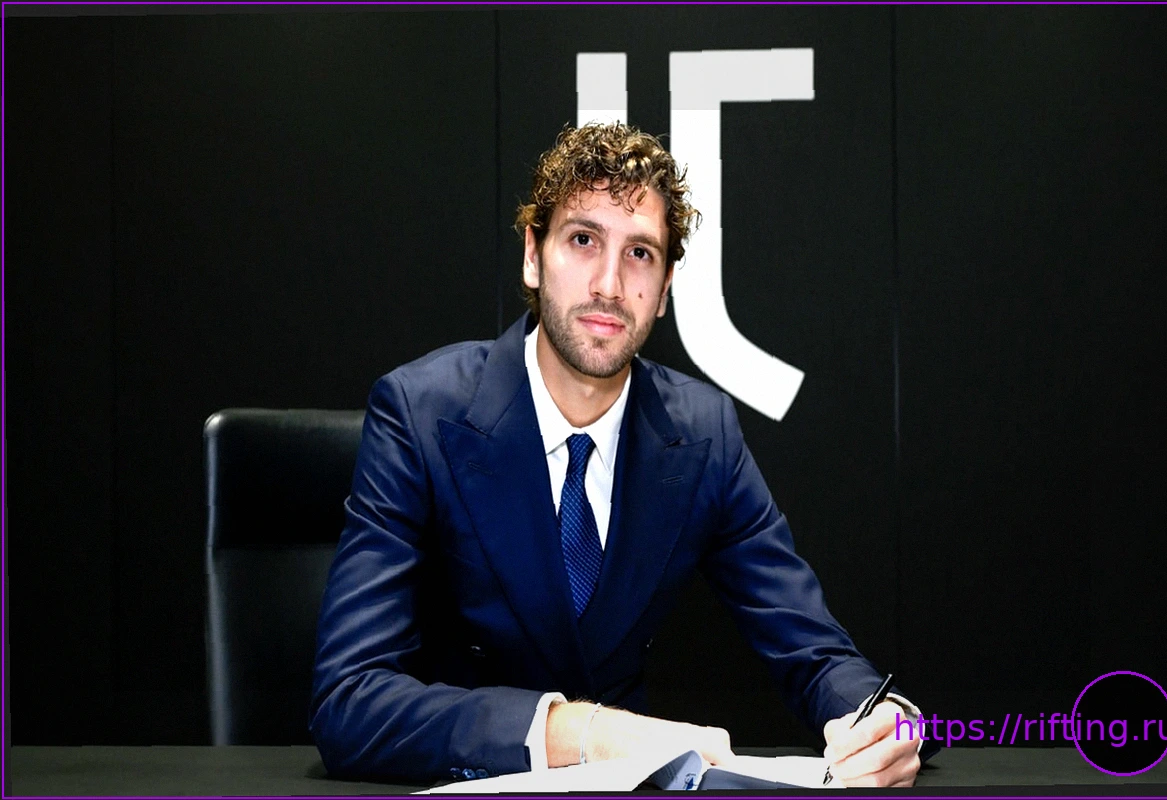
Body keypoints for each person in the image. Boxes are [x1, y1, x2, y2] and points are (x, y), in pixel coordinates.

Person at [309, 122, 930, 787]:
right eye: (583, 240)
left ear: (664, 290)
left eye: (640, 253)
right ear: (532, 255)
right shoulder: (420, 411)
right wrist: (586, 732)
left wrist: (885, 721)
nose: (609, 283)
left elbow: (813, 648)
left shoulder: (702, 433)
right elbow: (350, 701)